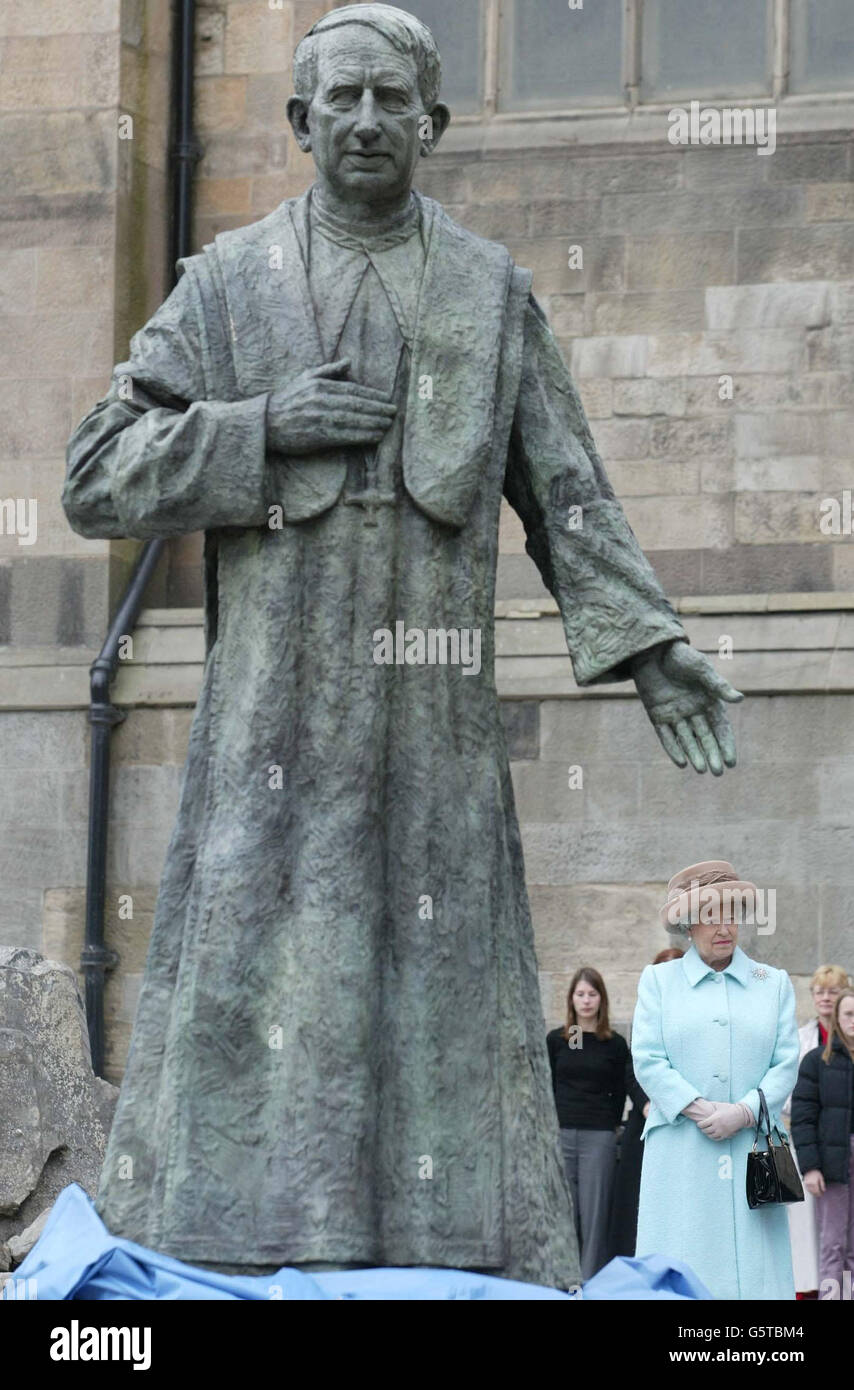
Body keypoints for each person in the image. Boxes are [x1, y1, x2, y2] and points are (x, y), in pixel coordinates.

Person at [62, 3, 744, 1287]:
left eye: (393, 102)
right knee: (267, 965)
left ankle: (449, 1253)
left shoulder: (489, 293)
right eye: (343, 99)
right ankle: (232, 1244)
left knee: (436, 977)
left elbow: (567, 488)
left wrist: (652, 646)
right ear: (300, 120)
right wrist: (260, 425)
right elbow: (95, 474)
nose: (368, 121)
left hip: (432, 739)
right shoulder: (226, 284)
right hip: (272, 733)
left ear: (429, 123)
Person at [632, 861, 800, 1300]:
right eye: (709, 916)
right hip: (681, 1148)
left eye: (730, 913)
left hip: (753, 1149)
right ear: (688, 925)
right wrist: (700, 1108)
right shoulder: (659, 981)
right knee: (684, 1255)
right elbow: (648, 1058)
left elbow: (785, 1062)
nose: (723, 926)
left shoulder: (773, 984)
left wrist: (743, 1112)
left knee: (754, 1269)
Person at [547, 968, 627, 1281]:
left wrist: (610, 1126)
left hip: (598, 1136)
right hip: (561, 1132)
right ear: (571, 999)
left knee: (594, 1214)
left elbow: (620, 1090)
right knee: (562, 1209)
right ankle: (560, 1277)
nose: (586, 1000)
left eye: (592, 994)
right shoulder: (557, 1039)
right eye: (580, 994)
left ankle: (589, 1281)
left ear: (601, 999)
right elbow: (549, 1083)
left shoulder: (614, 1044)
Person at [609, 947, 683, 1259]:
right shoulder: (646, 1012)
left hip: (684, 1122)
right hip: (647, 1120)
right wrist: (646, 1105)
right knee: (637, 1200)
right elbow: (633, 1067)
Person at [782, 965, 851, 1298]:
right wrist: (811, 1160)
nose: (826, 997)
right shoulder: (807, 1048)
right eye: (820, 991)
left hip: (843, 1152)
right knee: (826, 1239)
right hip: (819, 1152)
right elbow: (799, 1105)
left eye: (833, 990)